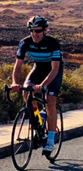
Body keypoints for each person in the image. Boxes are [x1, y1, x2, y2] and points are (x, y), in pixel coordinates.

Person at [11, 16, 63, 156]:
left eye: (38, 31)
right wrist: (15, 83)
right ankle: (38, 121)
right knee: (27, 92)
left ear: (45, 30)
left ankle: (51, 139)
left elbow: (55, 70)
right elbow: (18, 66)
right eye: (32, 30)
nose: (34, 34)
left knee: (50, 100)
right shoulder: (25, 43)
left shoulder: (53, 43)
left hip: (53, 72)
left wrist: (42, 85)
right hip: (38, 69)